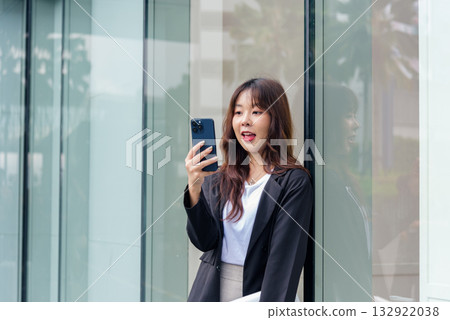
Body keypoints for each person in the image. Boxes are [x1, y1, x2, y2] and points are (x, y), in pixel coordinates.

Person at [183, 78, 313, 302]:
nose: (245, 121)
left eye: (256, 112)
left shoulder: (293, 181)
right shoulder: (220, 177)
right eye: (238, 112)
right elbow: (204, 241)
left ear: (275, 118)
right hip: (210, 291)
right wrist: (195, 186)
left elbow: (284, 263)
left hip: (260, 293)